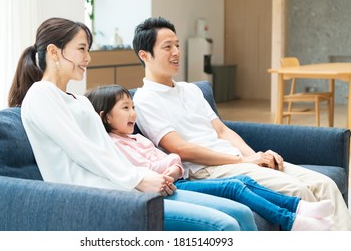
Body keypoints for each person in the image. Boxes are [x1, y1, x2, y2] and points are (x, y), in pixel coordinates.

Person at [7, 17, 258, 231]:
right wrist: (137, 180)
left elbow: (109, 150)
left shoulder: (81, 102)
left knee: (241, 213)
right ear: (54, 52)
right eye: (81, 49)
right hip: (95, 197)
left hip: (127, 188)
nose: (88, 58)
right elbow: (83, 152)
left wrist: (150, 175)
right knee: (225, 225)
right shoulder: (41, 95)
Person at [131, 16, 351, 231]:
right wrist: (244, 160)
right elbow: (180, 149)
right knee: (298, 190)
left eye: (177, 45)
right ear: (145, 55)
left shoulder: (191, 90)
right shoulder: (144, 100)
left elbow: (222, 130)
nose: (177, 52)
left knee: (325, 185)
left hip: (236, 160)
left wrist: (256, 156)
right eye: (168, 47)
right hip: (207, 170)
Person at [85, 84, 334, 231]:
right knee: (235, 186)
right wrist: (171, 165)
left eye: (133, 107)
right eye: (125, 108)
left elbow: (170, 161)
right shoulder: (115, 144)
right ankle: (292, 220)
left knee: (247, 183)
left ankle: (298, 208)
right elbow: (154, 166)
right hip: (173, 187)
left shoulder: (137, 138)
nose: (133, 114)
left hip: (177, 180)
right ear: (106, 117)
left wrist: (171, 165)